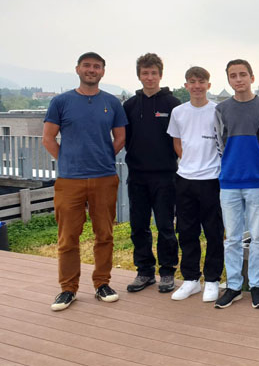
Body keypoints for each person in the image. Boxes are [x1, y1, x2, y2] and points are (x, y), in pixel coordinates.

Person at [43, 52, 127, 311]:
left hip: (104, 178)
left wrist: (101, 157)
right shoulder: (61, 101)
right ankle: (68, 289)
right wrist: (68, 161)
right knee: (68, 237)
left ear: (103, 71)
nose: (91, 70)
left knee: (105, 234)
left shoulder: (112, 103)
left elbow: (120, 138)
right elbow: (48, 139)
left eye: (97, 67)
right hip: (70, 181)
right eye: (87, 66)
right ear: (78, 69)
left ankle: (102, 283)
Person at [214, 59, 259, 310]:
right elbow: (220, 144)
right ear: (228, 80)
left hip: (256, 182)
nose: (238, 79)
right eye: (233, 75)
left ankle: (256, 285)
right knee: (231, 238)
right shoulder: (221, 110)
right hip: (229, 182)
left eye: (243, 74)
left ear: (252, 77)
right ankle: (233, 286)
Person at [123, 53, 180, 293]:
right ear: (139, 75)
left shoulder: (173, 104)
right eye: (145, 73)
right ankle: (144, 271)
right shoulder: (129, 106)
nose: (149, 77)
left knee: (166, 226)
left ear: (160, 75)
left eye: (153, 73)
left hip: (166, 175)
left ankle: (167, 272)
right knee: (138, 226)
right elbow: (124, 138)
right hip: (137, 175)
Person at [167, 66, 224, 302]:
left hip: (212, 179)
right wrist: (190, 162)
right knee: (187, 231)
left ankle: (212, 280)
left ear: (208, 85)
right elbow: (177, 144)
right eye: (192, 81)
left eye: (201, 82)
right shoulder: (178, 112)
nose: (197, 86)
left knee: (213, 232)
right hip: (185, 179)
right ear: (186, 85)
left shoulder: (218, 110)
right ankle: (191, 280)